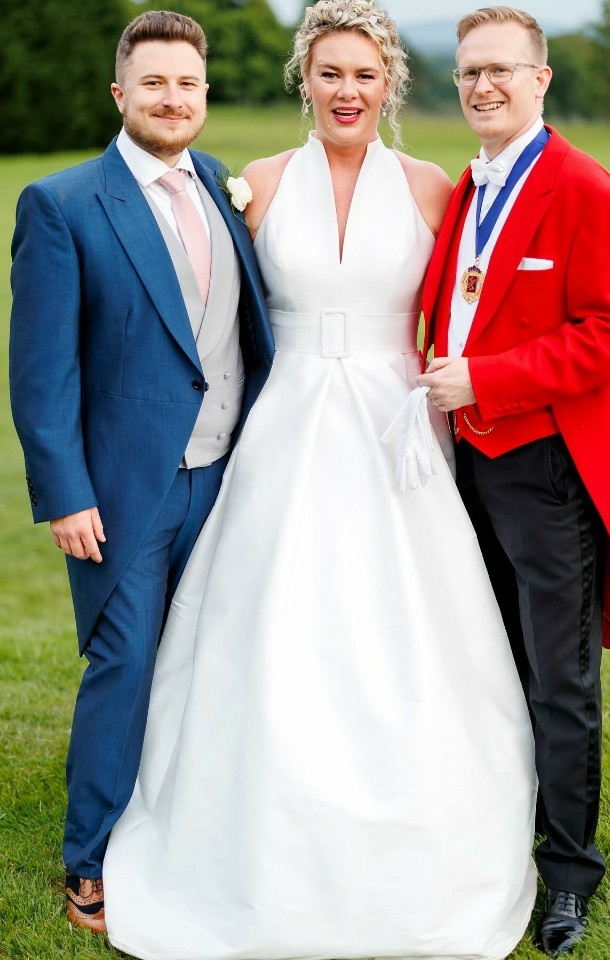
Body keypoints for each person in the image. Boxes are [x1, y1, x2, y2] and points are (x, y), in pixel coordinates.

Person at [102, 2, 538, 958]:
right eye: (330, 73)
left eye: (365, 75)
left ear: (390, 86)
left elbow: (477, 302)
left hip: (398, 431)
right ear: (307, 78)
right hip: (287, 427)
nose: (348, 91)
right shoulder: (253, 184)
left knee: (411, 626)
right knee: (269, 623)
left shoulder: (434, 188)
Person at [9, 9, 274, 935]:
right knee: (123, 662)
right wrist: (66, 492)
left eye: (188, 84)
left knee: (213, 662)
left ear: (205, 96)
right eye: (154, 83)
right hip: (125, 489)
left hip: (233, 475)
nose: (173, 99)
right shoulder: (62, 203)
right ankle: (90, 857)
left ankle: (191, 829)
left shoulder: (216, 181)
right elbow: (42, 372)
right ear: (121, 94)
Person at [418, 6, 610, 956]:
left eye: (502, 71)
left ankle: (569, 876)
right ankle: (491, 835)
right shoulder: (471, 188)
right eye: (470, 72)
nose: (483, 86)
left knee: (560, 681)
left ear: (540, 79)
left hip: (545, 469)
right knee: (483, 662)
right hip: (463, 465)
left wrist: (490, 380)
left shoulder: (583, 187)